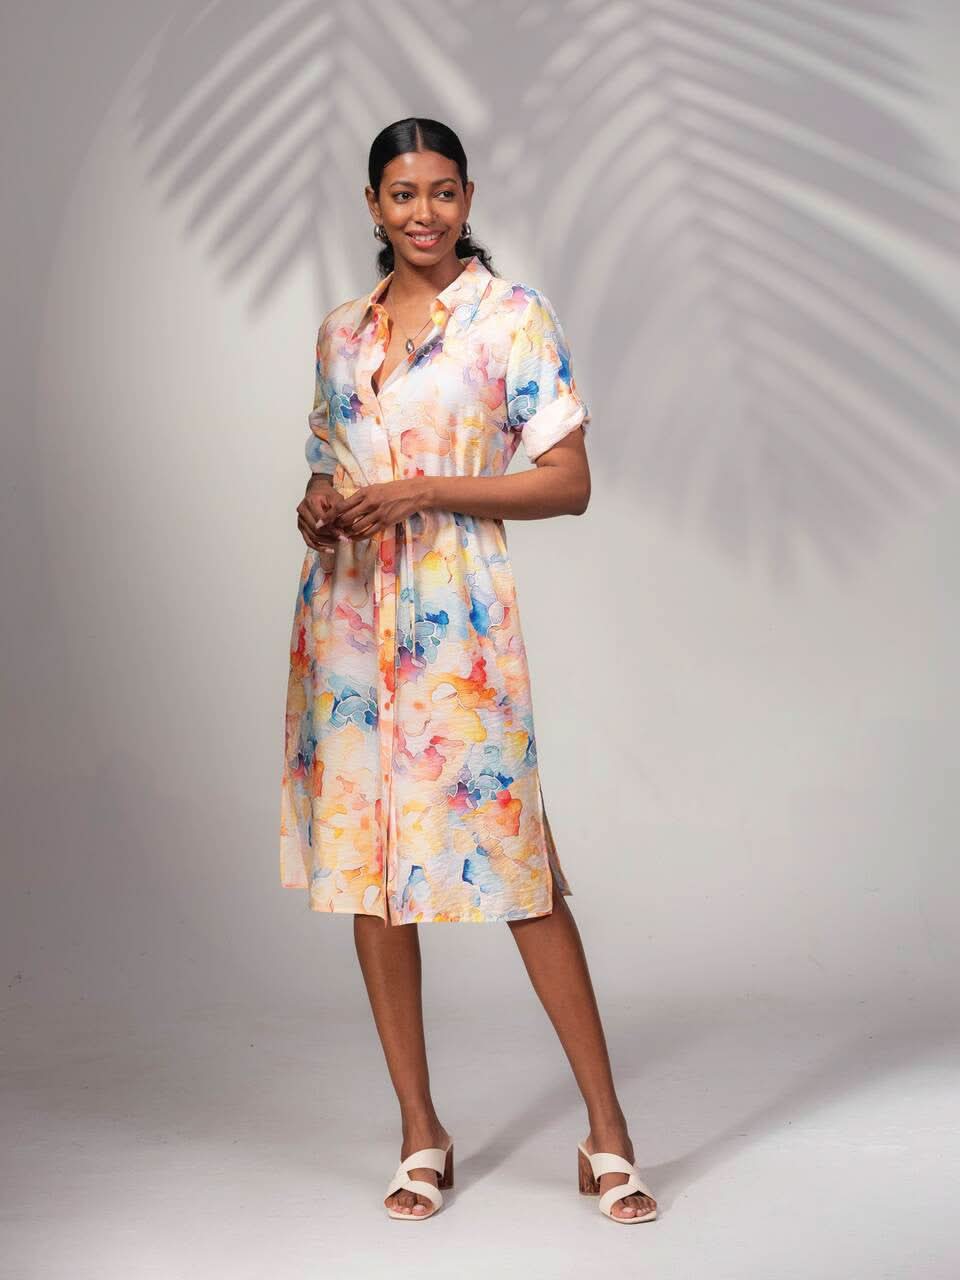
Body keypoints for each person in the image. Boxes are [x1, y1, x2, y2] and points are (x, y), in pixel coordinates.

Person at [280, 116, 657, 1225]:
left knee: (520, 871)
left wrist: (427, 489)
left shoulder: (511, 318)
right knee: (371, 875)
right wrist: (318, 506)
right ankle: (420, 1130)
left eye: (443, 191)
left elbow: (568, 481)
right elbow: (327, 465)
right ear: (373, 205)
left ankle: (607, 1132)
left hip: (457, 629)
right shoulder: (341, 331)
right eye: (403, 194)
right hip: (349, 625)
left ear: (469, 197)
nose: (425, 213)